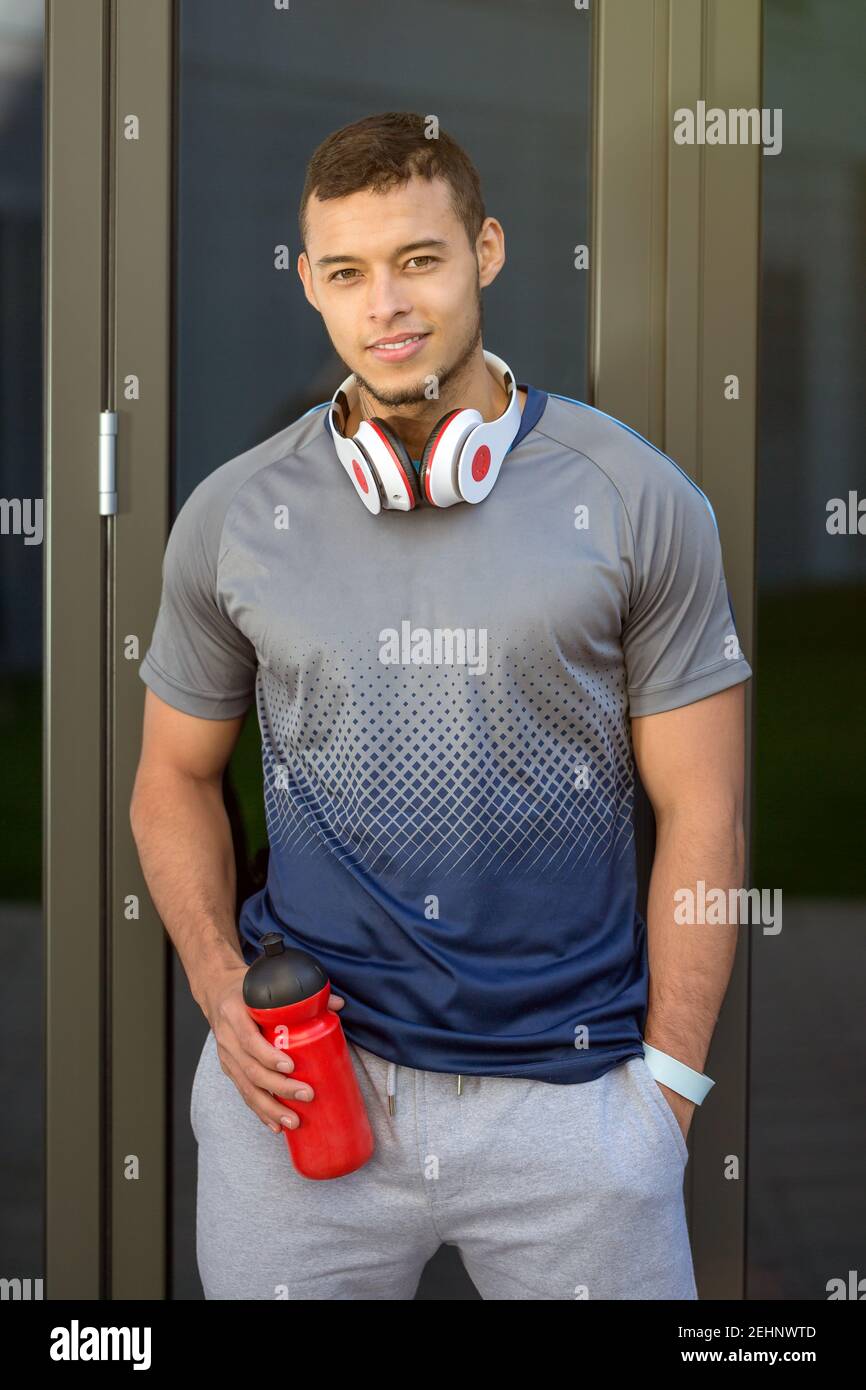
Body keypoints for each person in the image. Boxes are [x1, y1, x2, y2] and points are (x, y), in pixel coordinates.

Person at [130, 111, 752, 1300]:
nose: (387, 305)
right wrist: (219, 986)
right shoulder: (230, 515)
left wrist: (665, 1093)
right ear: (309, 283)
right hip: (306, 1097)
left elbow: (704, 810)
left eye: (419, 259)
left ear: (487, 252)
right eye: (349, 273)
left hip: (574, 1112)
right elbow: (169, 778)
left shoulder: (633, 497)